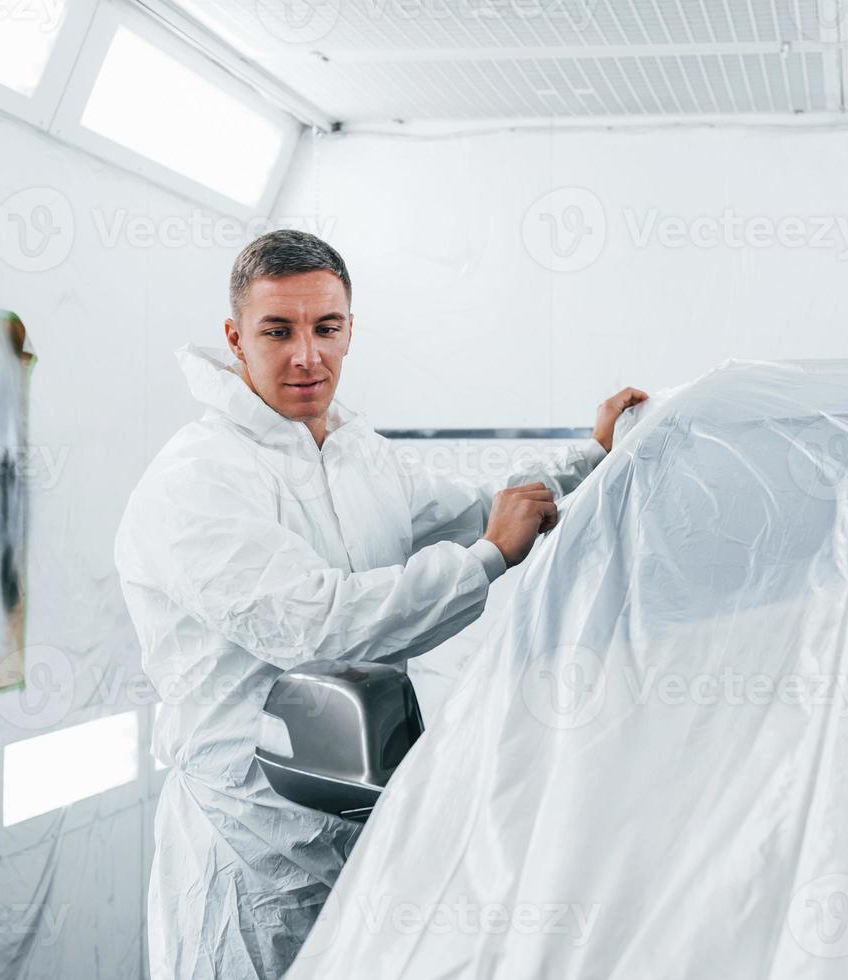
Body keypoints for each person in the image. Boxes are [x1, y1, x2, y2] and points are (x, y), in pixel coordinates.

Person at [114, 230, 646, 980]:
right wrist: (489, 558)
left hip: (364, 829)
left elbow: (474, 511)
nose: (307, 356)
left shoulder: (357, 453)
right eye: (278, 331)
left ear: (350, 330)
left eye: (326, 329)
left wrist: (588, 457)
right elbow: (313, 625)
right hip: (249, 851)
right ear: (235, 338)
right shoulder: (198, 479)